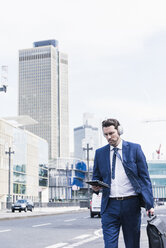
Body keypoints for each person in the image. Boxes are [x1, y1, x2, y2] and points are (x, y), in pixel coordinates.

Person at [92, 118, 154, 248]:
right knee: (109, 246)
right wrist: (95, 188)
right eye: (106, 135)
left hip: (131, 204)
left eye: (111, 133)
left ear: (119, 131)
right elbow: (96, 177)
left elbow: (144, 178)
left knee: (132, 245)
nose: (109, 137)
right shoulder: (99, 153)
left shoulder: (134, 149)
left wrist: (149, 204)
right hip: (109, 206)